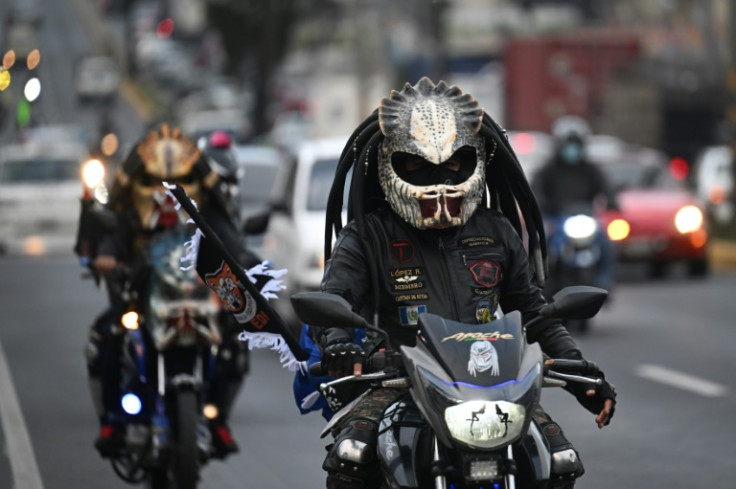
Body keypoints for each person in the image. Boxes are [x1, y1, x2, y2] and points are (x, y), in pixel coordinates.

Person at [302, 78, 616, 489]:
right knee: (352, 457)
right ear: (388, 164)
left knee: (559, 460)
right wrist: (340, 344)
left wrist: (581, 374)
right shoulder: (367, 235)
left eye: (453, 165)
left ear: (475, 160)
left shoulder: (497, 230)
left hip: (495, 385)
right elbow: (335, 300)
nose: (439, 178)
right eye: (417, 165)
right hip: (398, 381)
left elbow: (536, 313)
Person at [79, 123, 261, 459]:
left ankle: (218, 416)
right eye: (153, 181)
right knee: (106, 336)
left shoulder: (207, 210)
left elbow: (232, 242)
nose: (164, 191)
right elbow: (112, 236)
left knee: (238, 338)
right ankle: (111, 422)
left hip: (199, 298)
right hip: (144, 300)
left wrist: (247, 264)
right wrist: (106, 257)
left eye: (177, 179)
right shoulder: (129, 212)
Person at [531, 116, 617, 292]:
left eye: (576, 144)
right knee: (539, 243)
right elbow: (535, 189)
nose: (572, 149)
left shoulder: (591, 169)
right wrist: (540, 205)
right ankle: (538, 282)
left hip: (585, 218)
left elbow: (606, 187)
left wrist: (613, 201)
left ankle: (604, 280)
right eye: (568, 144)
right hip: (555, 219)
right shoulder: (548, 169)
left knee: (607, 242)